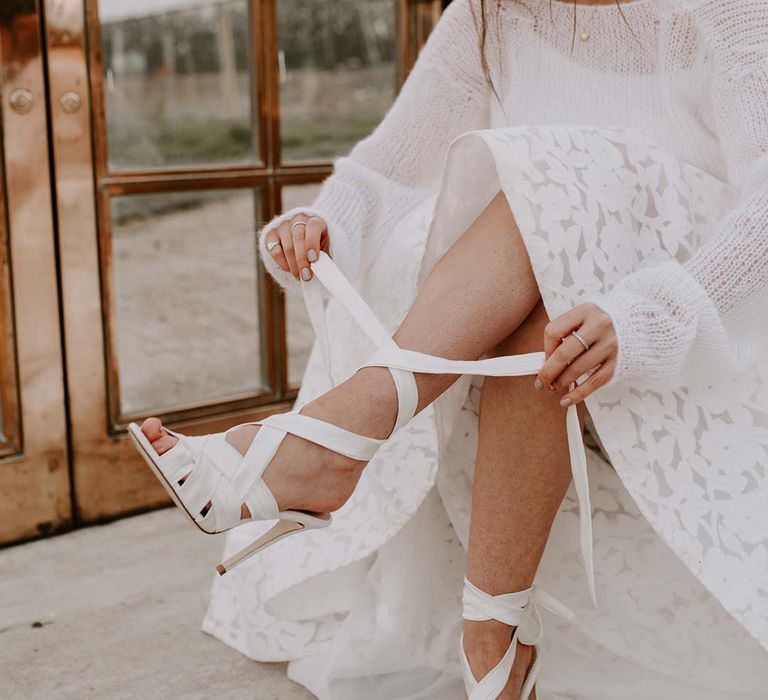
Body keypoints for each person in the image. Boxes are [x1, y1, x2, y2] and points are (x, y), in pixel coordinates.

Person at [130, 0, 768, 697]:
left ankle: (327, 447)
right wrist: (326, 222)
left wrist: (656, 314)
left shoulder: (723, 11)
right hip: (565, 316)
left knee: (562, 166)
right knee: (539, 296)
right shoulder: (492, 12)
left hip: (706, 305)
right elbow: (392, 168)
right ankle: (494, 638)